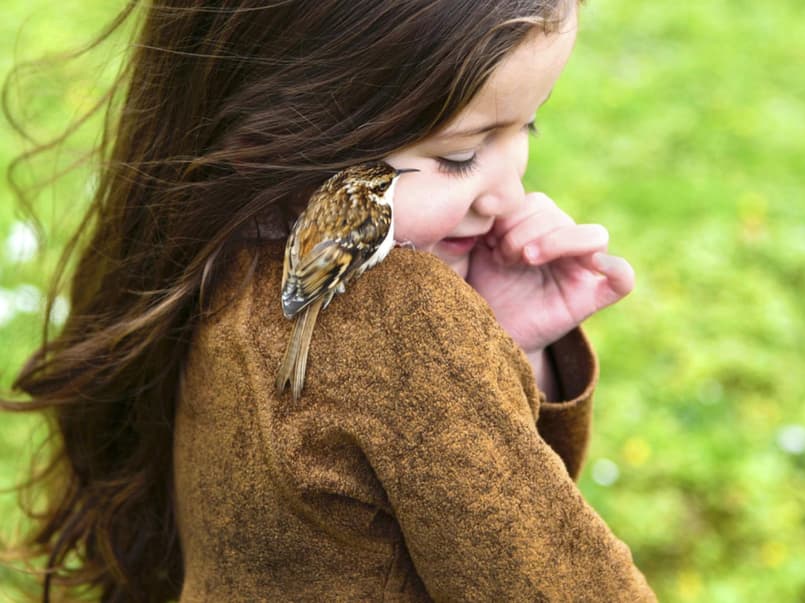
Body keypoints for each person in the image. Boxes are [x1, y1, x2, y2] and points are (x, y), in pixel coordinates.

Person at [3, 0, 656, 600]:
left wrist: (506, 354)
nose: (508, 196)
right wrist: (453, 353)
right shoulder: (405, 323)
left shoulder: (212, 267)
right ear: (275, 140)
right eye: (459, 155)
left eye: (529, 126)